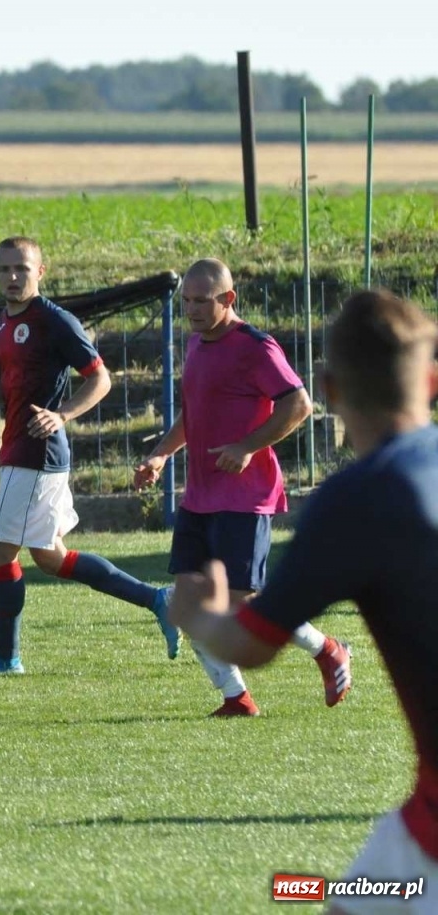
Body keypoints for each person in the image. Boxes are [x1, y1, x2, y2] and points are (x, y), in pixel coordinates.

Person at [171, 289, 438, 908]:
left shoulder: (359, 499)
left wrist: (197, 616)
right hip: (418, 822)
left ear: (331, 389)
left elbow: (250, 642)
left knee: (301, 891)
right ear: (429, 379)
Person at [0, 236, 177, 675]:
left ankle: (7, 659)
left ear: (41, 271)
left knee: (0, 554)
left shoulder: (56, 321)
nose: (12, 277)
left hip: (35, 456)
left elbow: (100, 380)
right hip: (24, 453)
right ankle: (157, 599)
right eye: (3, 269)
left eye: (21, 268)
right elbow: (9, 390)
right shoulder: (4, 323)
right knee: (51, 557)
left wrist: (61, 415)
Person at [134, 258, 352, 716]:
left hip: (244, 496)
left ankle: (328, 649)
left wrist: (249, 446)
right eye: (186, 301)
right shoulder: (197, 342)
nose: (191, 309)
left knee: (240, 600)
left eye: (201, 301)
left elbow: (299, 403)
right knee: (189, 603)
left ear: (228, 299)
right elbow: (193, 415)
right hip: (200, 496)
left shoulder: (255, 346)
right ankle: (236, 698)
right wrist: (161, 454)